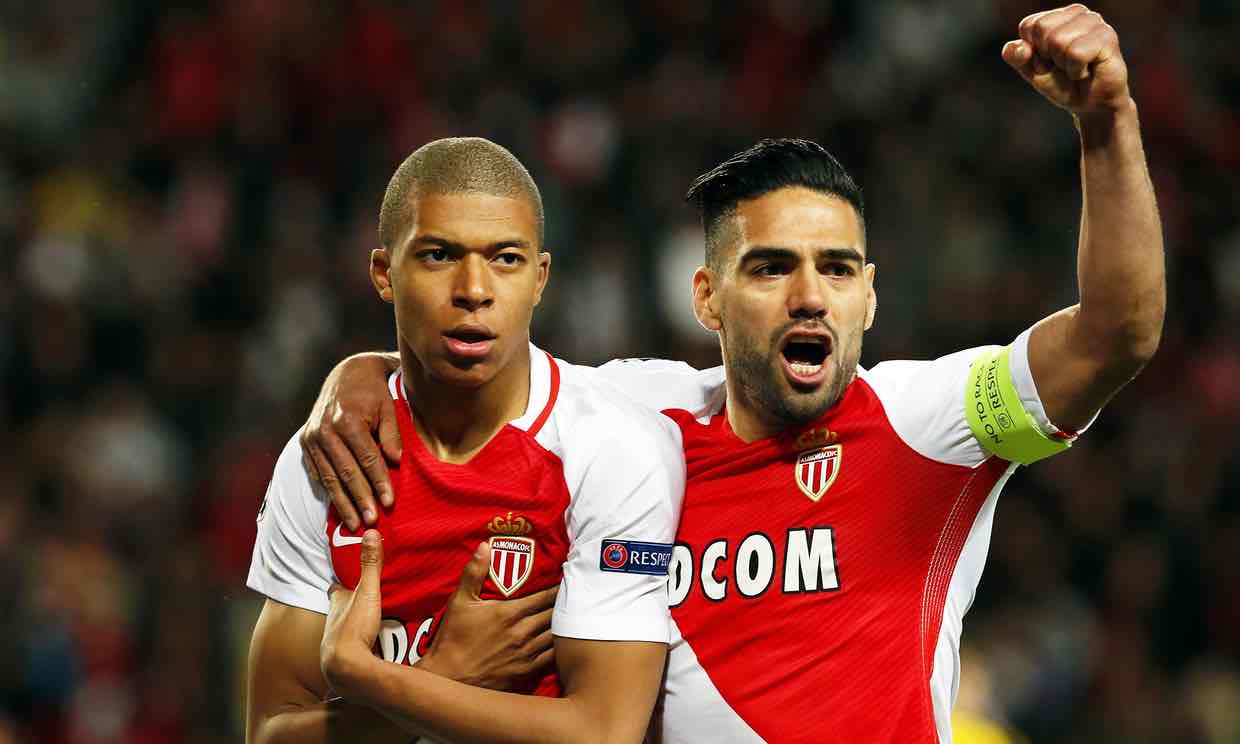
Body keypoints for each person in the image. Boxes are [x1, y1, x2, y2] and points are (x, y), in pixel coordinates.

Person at [303, 6, 1163, 742]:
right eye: (771, 268)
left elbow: (1115, 335)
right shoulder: (634, 420)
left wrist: (1108, 124)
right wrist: (366, 371)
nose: (809, 296)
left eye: (836, 270)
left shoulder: (929, 425)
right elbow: (472, 367)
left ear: (869, 296)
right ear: (707, 298)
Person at [245, 137, 686, 743]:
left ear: (540, 277)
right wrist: (444, 674)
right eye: (438, 255)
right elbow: (269, 732)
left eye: (505, 258)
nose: (474, 288)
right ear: (384, 274)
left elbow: (603, 733)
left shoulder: (611, 448)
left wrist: (372, 680)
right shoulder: (330, 457)